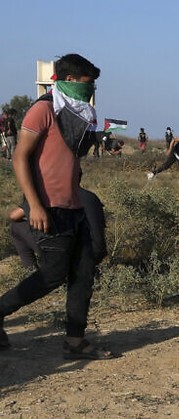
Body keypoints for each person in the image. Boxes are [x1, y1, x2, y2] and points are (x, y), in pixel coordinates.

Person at [0, 52, 115, 359]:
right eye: (86, 84)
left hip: (74, 207)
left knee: (83, 273)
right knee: (53, 274)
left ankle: (75, 342)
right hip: (48, 208)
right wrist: (34, 205)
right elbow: (19, 157)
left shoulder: (77, 115)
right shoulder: (43, 110)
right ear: (68, 80)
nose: (90, 90)